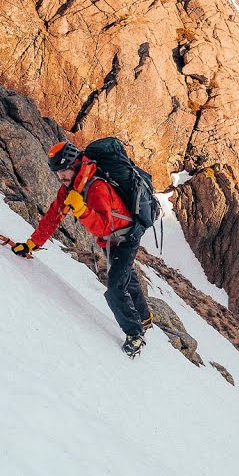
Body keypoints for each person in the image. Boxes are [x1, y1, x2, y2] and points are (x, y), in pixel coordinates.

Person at [12, 141, 153, 357]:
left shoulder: (97, 187)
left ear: (74, 164)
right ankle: (144, 317)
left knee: (115, 288)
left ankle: (135, 333)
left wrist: (81, 209)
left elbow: (104, 225)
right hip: (112, 239)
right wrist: (32, 243)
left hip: (126, 238)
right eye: (57, 172)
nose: (60, 176)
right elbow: (53, 217)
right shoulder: (71, 188)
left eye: (62, 170)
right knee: (125, 275)